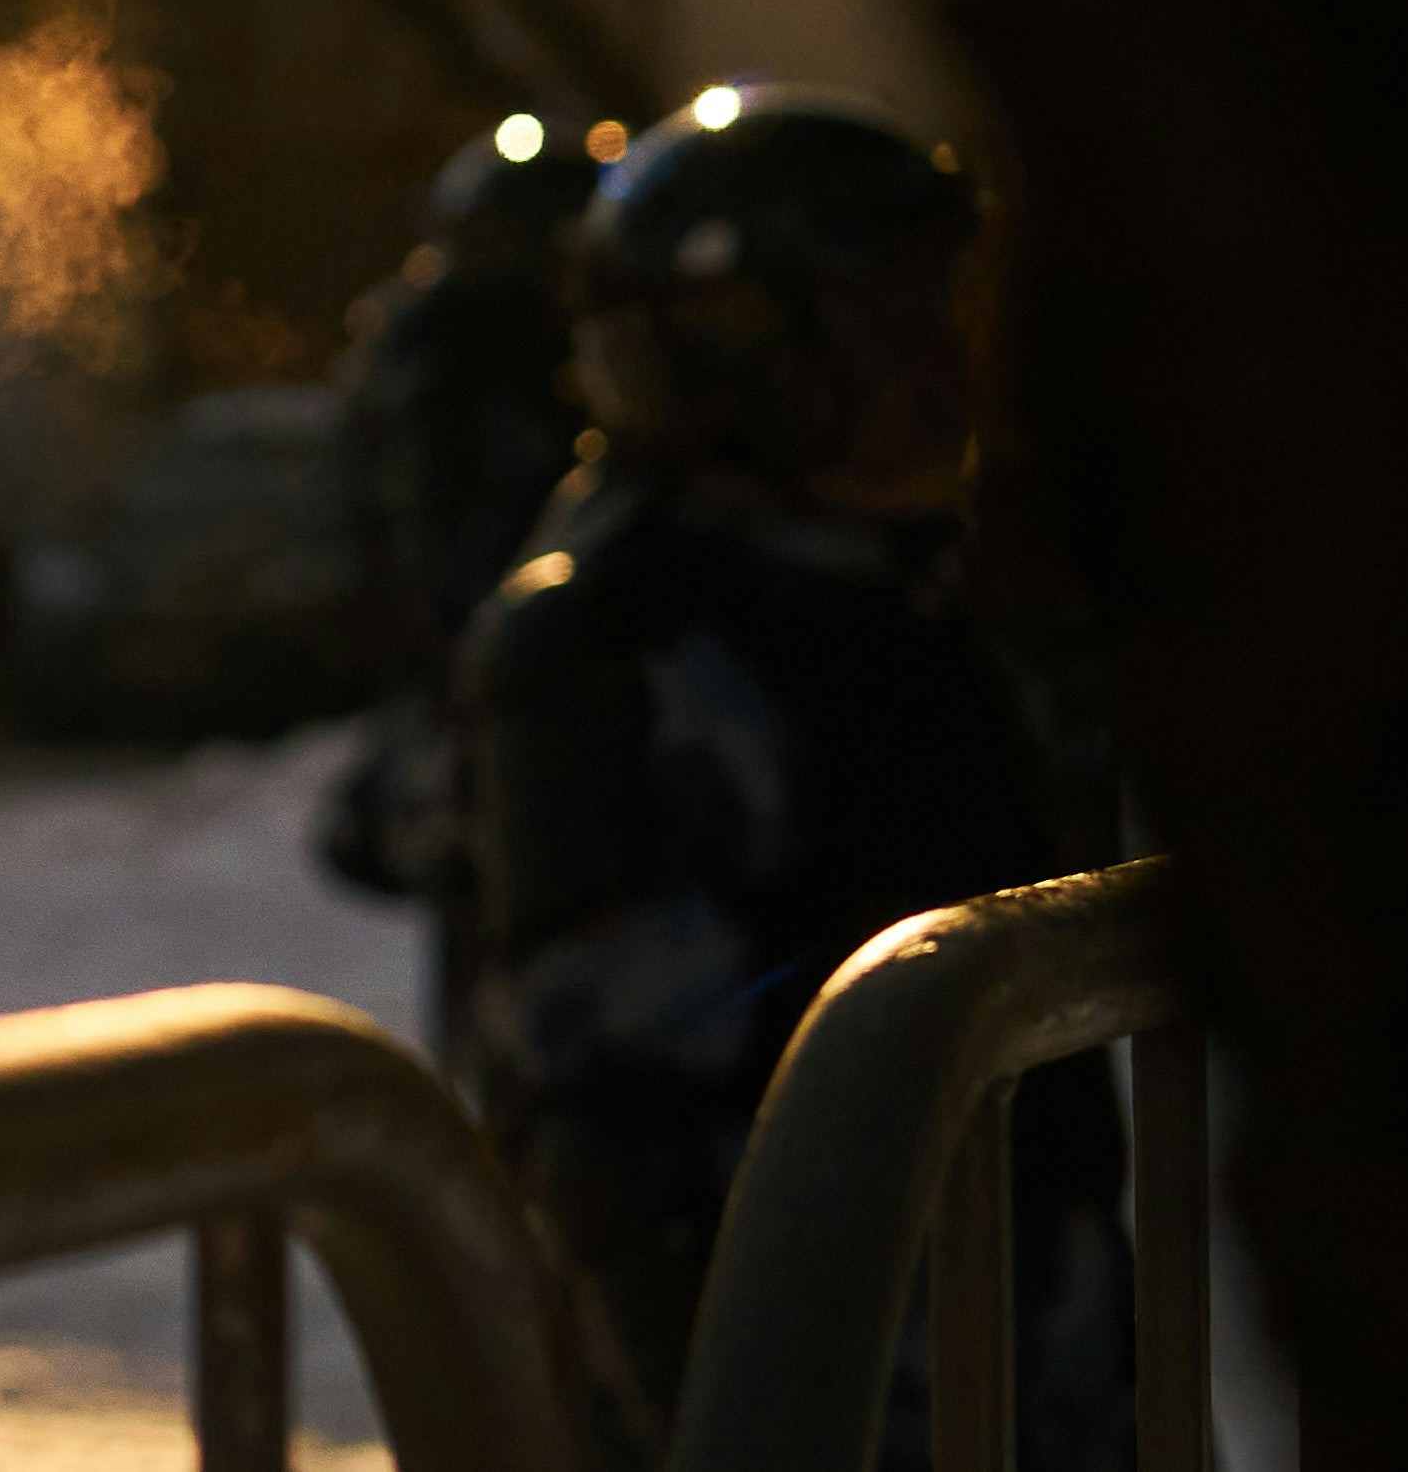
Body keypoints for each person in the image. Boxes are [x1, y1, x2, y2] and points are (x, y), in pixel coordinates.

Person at [455, 85, 1124, 1462]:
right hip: (816, 1347)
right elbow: (607, 1103)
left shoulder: (929, 582)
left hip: (1025, 1320)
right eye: (884, 326)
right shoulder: (610, 639)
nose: (939, 370)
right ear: (738, 357)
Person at [313, 109, 601, 1059]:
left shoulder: (423, 355)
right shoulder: (463, 366)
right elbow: (434, 550)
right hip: (494, 699)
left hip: (477, 697)